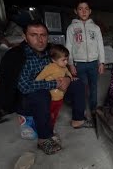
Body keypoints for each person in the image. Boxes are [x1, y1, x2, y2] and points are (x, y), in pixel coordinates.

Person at [11, 20, 91, 155]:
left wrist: (67, 78)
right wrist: (55, 84)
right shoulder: (21, 56)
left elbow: (62, 66)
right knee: (42, 95)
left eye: (43, 35)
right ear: (25, 37)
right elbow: (24, 86)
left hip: (55, 87)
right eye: (34, 35)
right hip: (31, 94)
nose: (40, 39)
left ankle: (78, 120)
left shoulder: (52, 50)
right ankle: (44, 138)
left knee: (78, 83)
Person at [66, 0, 105, 115]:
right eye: (80, 9)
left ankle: (93, 109)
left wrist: (101, 62)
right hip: (79, 63)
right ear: (76, 11)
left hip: (93, 63)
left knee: (94, 87)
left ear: (90, 11)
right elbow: (69, 46)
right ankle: (80, 110)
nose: (83, 11)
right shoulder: (71, 28)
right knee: (81, 88)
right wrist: (71, 63)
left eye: (86, 9)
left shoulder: (95, 28)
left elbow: (100, 46)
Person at [35, 44, 73, 128]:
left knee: (55, 113)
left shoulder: (64, 67)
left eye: (67, 59)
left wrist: (71, 78)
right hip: (50, 98)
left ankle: (51, 127)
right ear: (54, 60)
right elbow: (39, 78)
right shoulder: (50, 68)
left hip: (60, 97)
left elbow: (68, 72)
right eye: (64, 60)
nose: (66, 62)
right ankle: (46, 128)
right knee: (47, 114)